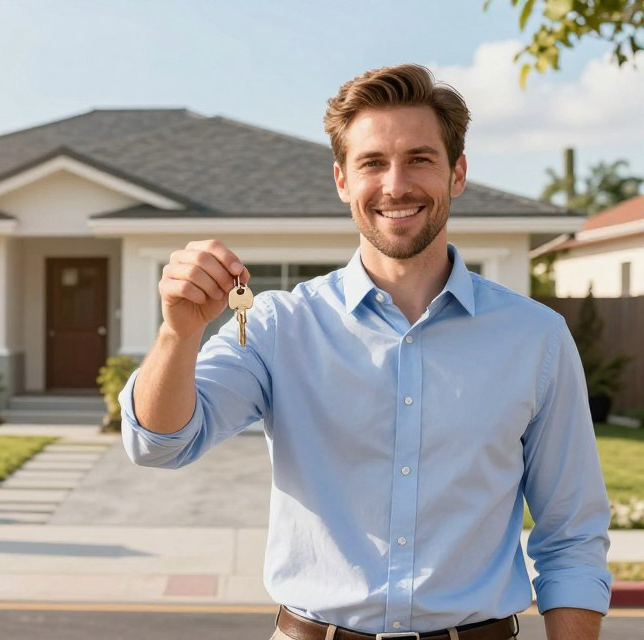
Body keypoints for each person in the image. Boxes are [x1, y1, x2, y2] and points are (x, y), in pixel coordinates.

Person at [119, 64, 611, 640]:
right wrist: (178, 334)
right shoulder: (279, 326)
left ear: (457, 174)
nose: (395, 185)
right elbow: (159, 443)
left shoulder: (537, 339)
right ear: (341, 181)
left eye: (420, 159)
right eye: (372, 163)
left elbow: (572, 533)